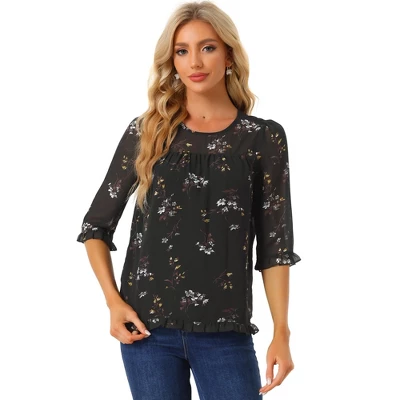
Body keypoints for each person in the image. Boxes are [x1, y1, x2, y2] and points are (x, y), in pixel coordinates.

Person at [76, 1, 301, 399]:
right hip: (146, 332)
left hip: (225, 333)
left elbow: (275, 246)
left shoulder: (263, 138)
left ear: (229, 55)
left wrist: (281, 332)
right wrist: (113, 302)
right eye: (182, 51)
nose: (194, 61)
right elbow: (95, 226)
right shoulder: (148, 132)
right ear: (173, 60)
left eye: (207, 47)